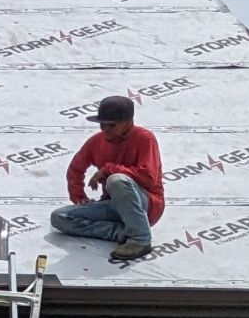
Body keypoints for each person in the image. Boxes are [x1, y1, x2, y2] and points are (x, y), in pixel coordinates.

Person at [55, 94, 166, 262]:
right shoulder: (96, 141)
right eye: (102, 125)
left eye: (112, 125)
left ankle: (140, 239)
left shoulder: (145, 138)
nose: (106, 130)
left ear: (128, 122)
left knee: (116, 181)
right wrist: (78, 197)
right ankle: (122, 233)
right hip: (113, 204)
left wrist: (108, 169)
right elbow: (75, 169)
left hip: (146, 205)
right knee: (59, 217)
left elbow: (148, 177)